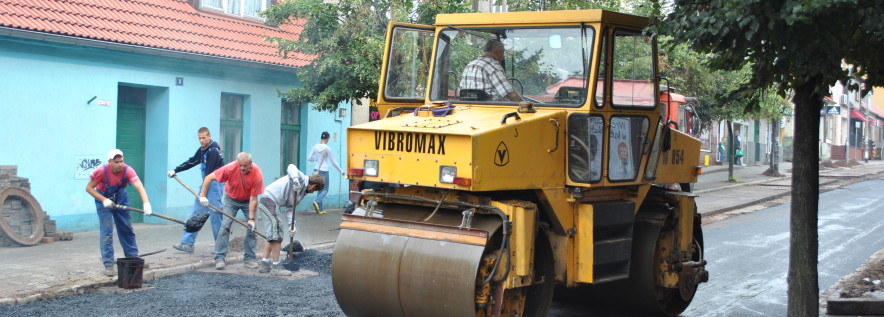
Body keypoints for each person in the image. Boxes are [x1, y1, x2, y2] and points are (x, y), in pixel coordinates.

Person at [85, 149, 152, 276]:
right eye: (117, 162)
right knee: (107, 232)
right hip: (103, 199)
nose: (120, 164)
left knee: (126, 228)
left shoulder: (127, 170)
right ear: (110, 162)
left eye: (121, 161)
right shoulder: (101, 171)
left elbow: (139, 186)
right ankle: (109, 265)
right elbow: (88, 188)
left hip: (121, 197)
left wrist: (146, 203)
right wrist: (104, 200)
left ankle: (133, 259)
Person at [256, 164, 324, 275]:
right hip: (268, 200)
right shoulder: (301, 178)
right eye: (315, 190)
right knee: (276, 232)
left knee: (272, 233)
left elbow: (289, 210)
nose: (312, 192)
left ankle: (264, 264)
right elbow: (291, 167)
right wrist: (296, 181)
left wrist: (292, 226)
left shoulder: (301, 194)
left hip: (272, 203)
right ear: (313, 186)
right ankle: (276, 267)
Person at [200, 152, 264, 270]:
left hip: (248, 201)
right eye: (240, 165)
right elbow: (208, 178)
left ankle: (249, 259)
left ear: (251, 163)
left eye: (245, 165)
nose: (242, 168)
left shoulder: (257, 173)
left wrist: (251, 219)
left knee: (252, 229)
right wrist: (202, 196)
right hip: (231, 200)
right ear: (237, 163)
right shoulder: (230, 168)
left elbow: (254, 199)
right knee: (225, 226)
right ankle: (219, 258)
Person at [168, 127, 224, 254]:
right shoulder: (203, 150)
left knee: (216, 215)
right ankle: (187, 243)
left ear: (209, 136)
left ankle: (221, 247)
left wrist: (203, 195)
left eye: (204, 138)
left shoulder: (213, 151)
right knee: (196, 214)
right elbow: (192, 161)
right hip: (205, 184)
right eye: (199, 138)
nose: (201, 140)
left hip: (214, 185)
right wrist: (176, 170)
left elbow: (209, 173)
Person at [307, 131, 345, 214]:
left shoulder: (315, 146)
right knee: (325, 189)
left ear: (321, 137)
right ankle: (317, 201)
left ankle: (320, 209)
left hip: (316, 170)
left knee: (319, 188)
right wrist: (341, 170)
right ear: (327, 138)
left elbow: (309, 158)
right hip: (324, 170)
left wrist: (316, 159)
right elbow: (333, 161)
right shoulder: (327, 148)